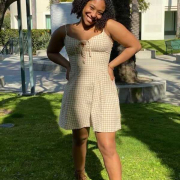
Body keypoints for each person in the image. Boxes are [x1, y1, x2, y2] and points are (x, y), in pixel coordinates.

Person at [47, 0, 141, 179]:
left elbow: (134, 45)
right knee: (80, 138)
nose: (94, 14)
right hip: (77, 90)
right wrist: (68, 65)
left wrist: (111, 65)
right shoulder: (64, 31)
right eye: (91, 7)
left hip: (103, 90)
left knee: (106, 145)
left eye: (100, 11)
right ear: (82, 4)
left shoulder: (108, 26)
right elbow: (51, 52)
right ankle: (80, 174)